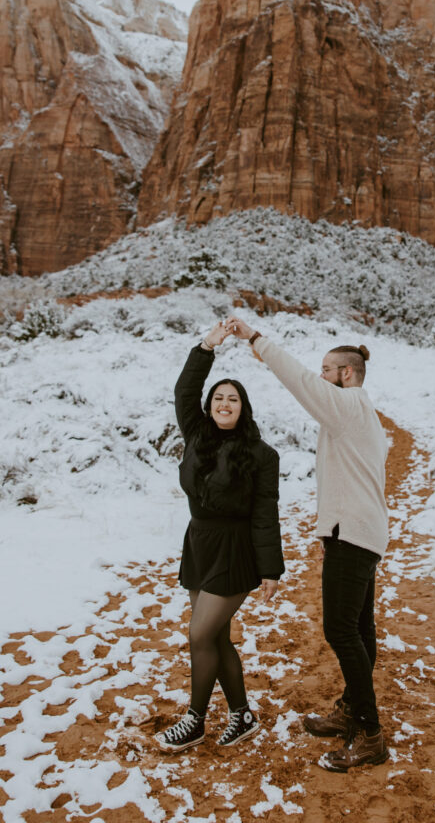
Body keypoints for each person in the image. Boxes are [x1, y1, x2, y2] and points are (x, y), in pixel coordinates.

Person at [227, 316, 389, 773]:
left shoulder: (348, 404)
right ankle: (350, 711)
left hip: (354, 534)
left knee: (340, 631)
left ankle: (371, 734)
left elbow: (297, 380)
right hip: (359, 531)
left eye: (327, 369)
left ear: (347, 373)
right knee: (358, 630)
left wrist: (256, 339)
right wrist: (328, 527)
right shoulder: (361, 413)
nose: (321, 376)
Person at [156, 320, 284, 753]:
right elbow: (182, 392)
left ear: (243, 408)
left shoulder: (262, 455)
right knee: (215, 637)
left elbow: (266, 514)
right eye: (218, 397)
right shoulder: (196, 435)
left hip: (235, 551)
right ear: (209, 405)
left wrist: (270, 570)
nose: (224, 403)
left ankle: (194, 720)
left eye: (233, 398)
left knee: (198, 635)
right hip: (200, 544)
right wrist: (207, 346)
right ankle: (241, 715)